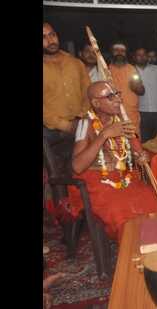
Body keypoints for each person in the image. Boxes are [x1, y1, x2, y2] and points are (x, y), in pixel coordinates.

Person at [69, 81, 157, 241]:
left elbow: (126, 153)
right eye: (110, 97)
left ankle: (154, 247)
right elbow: (77, 167)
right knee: (122, 210)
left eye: (117, 94)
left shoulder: (120, 121)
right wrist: (104, 135)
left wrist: (139, 158)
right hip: (97, 184)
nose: (118, 100)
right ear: (96, 103)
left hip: (125, 178)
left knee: (151, 199)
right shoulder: (85, 123)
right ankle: (131, 252)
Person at [43, 22, 91, 209]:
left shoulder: (75, 63)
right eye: (44, 37)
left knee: (80, 172)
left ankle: (82, 212)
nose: (50, 40)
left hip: (79, 126)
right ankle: (62, 219)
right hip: (50, 132)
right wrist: (64, 125)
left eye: (52, 34)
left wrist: (82, 117)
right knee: (56, 178)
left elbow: (88, 92)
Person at [108, 42, 145, 139]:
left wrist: (137, 87)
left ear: (126, 53)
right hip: (112, 116)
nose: (119, 53)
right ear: (112, 52)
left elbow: (141, 91)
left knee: (135, 145)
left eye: (122, 51)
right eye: (116, 50)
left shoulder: (132, 69)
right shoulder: (105, 69)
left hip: (131, 115)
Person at [134, 47, 157, 142]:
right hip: (140, 112)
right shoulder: (131, 70)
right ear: (134, 57)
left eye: (144, 55)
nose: (142, 57)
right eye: (139, 55)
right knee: (143, 141)